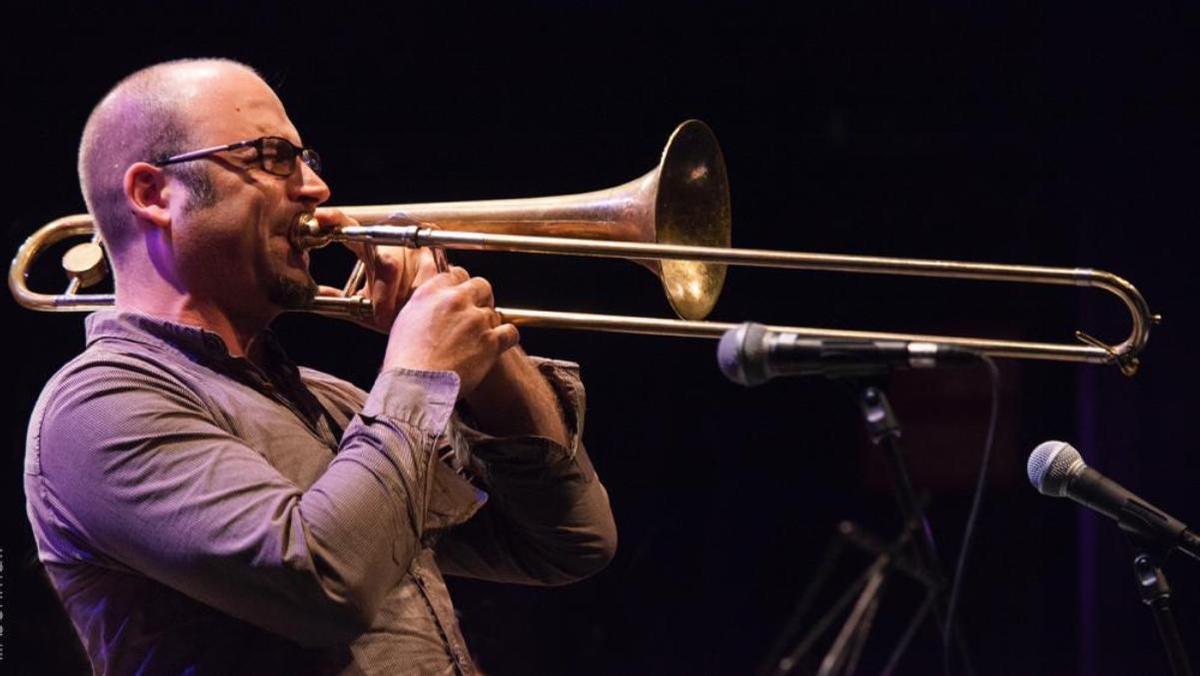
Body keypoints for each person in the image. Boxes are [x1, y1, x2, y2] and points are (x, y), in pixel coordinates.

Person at [23, 58, 617, 675]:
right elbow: (322, 586)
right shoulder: (98, 406)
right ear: (154, 193)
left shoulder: (330, 402)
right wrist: (420, 374)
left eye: (307, 159)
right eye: (272, 156)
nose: (315, 189)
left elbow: (567, 543)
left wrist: (487, 361)